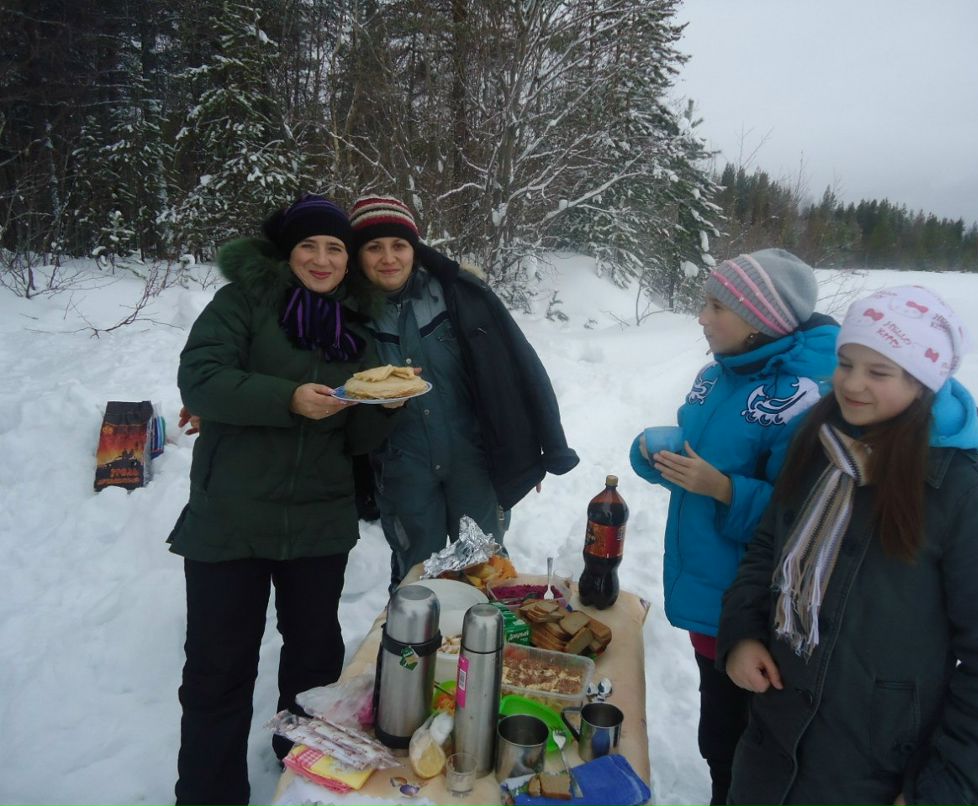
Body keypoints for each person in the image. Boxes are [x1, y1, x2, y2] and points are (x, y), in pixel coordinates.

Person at [719, 286, 978, 806]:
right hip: (769, 751)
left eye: (879, 372)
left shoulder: (967, 494)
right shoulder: (819, 443)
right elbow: (767, 550)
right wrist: (743, 634)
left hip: (874, 771)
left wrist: (945, 792)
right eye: (846, 364)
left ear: (923, 381)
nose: (853, 384)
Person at [168, 195, 401, 805]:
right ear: (287, 252)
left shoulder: (355, 326)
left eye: (334, 250)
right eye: (309, 247)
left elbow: (358, 439)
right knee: (218, 669)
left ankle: (301, 776)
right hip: (232, 518)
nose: (322, 260)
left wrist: (384, 410)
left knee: (314, 662)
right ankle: (209, 794)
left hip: (319, 522)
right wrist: (288, 398)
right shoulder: (242, 304)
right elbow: (202, 380)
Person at [628, 249, 839, 805]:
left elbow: (806, 518)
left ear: (759, 322)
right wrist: (658, 453)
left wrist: (723, 488)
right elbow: (698, 448)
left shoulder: (802, 398)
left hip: (757, 612)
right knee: (719, 734)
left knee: (750, 746)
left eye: (716, 305)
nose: (702, 316)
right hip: (709, 595)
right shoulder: (715, 375)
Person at [347, 194, 579, 586]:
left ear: (414, 249)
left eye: (399, 245)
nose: (388, 257)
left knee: (486, 570)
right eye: (374, 247)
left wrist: (536, 449)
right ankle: (415, 646)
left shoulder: (458, 294)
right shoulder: (346, 314)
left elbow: (517, 368)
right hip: (403, 470)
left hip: (473, 460)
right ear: (358, 255)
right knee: (417, 578)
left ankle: (486, 645)